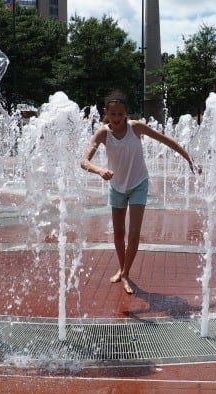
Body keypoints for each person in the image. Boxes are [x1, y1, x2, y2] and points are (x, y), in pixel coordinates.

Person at [80, 91, 198, 294]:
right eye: (113, 114)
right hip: (116, 186)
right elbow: (84, 161)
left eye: (120, 114)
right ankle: (122, 267)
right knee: (118, 234)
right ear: (106, 113)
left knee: (133, 233)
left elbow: (167, 141)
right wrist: (99, 170)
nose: (117, 119)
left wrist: (189, 159)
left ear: (126, 113)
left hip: (138, 184)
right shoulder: (102, 133)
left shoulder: (136, 128)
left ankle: (125, 273)